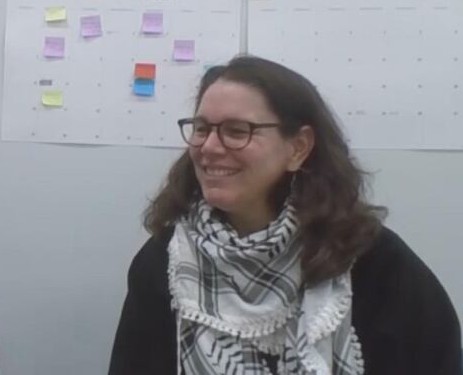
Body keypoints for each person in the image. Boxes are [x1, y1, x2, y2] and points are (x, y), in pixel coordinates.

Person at [108, 56, 462, 375]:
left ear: (299, 147)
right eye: (202, 129)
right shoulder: (163, 264)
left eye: (236, 131)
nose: (210, 148)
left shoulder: (372, 262)